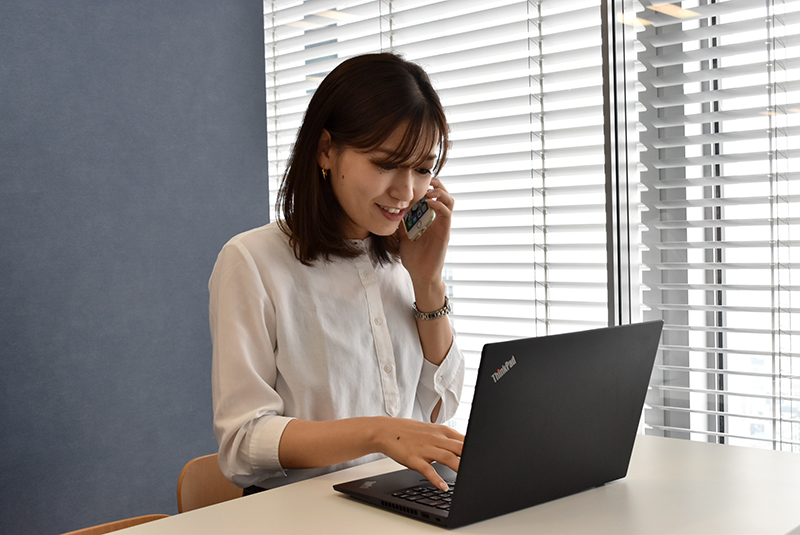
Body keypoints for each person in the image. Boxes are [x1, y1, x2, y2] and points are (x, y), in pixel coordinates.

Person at [209, 53, 465, 494]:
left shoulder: (408, 261)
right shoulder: (252, 260)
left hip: (402, 501)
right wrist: (377, 432)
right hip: (302, 515)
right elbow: (242, 442)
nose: (406, 192)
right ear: (326, 150)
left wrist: (428, 283)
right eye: (385, 164)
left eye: (423, 169)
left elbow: (440, 407)